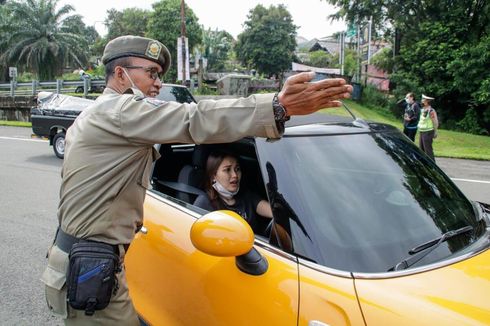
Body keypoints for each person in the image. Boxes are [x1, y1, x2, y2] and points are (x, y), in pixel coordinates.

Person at [41, 35, 352, 325]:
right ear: (121, 74)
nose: (158, 84)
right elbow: (194, 118)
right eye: (151, 73)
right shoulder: (120, 111)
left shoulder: (92, 114)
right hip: (94, 266)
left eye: (160, 75)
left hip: (82, 258)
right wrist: (277, 107)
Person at [194, 151, 272, 233]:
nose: (235, 175)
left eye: (237, 169)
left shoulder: (246, 195)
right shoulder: (204, 203)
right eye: (227, 170)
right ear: (213, 176)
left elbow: (274, 212)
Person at [418, 94, 439, 161]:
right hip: (422, 131)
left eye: (423, 99)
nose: (422, 100)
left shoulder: (431, 111)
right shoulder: (423, 109)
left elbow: (435, 121)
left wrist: (435, 131)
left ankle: (432, 165)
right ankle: (424, 164)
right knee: (421, 149)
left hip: (428, 132)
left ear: (427, 101)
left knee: (428, 150)